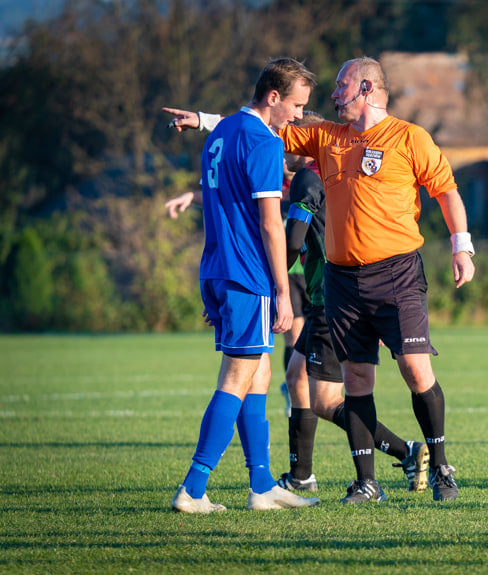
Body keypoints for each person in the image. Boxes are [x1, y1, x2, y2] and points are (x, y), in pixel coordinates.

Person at [164, 55, 475, 504]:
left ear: (366, 88)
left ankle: (441, 467)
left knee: (413, 368)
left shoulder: (411, 138)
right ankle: (363, 482)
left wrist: (461, 245)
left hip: (398, 273)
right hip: (342, 279)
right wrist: (202, 120)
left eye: (340, 87)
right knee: (353, 382)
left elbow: (446, 191)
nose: (332, 96)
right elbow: (258, 125)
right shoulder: (327, 137)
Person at [170, 58, 321, 513]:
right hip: (247, 274)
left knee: (259, 373)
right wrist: (280, 290)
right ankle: (194, 489)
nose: (298, 116)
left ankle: (261, 487)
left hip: (217, 268)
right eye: (296, 106)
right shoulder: (264, 142)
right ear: (273, 97)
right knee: (237, 377)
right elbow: (271, 224)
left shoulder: (220, 133)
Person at [277, 111, 430, 495]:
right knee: (297, 377)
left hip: (331, 298)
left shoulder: (309, 177)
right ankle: (301, 475)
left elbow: (293, 241)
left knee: (326, 401)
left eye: (290, 138)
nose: (284, 147)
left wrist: (272, 277)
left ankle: (404, 452)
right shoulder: (336, 168)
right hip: (329, 297)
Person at [164, 164, 308, 420]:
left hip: (310, 268)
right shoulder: (267, 176)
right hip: (281, 272)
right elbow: (223, 197)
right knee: (290, 339)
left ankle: (298, 389)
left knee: (275, 357)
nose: (287, 160)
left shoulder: (311, 180)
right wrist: (191, 196)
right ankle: (294, 387)